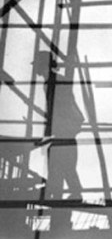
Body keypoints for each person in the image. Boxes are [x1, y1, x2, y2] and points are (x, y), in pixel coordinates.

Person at [33, 51, 84, 201]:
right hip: (66, 127)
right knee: (63, 161)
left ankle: (64, 191)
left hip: (64, 126)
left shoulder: (53, 83)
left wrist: (48, 133)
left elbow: (57, 109)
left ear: (43, 66)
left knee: (60, 160)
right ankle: (68, 191)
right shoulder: (53, 81)